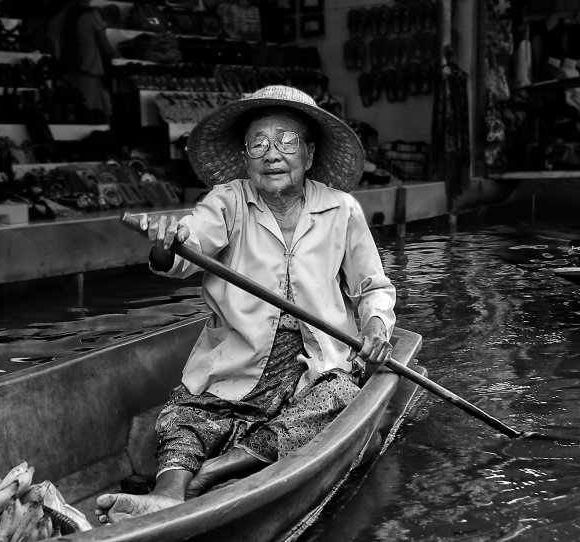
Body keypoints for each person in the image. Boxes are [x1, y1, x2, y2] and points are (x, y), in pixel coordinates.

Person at [95, 85, 396, 524]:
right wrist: (167, 246)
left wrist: (374, 329)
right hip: (238, 357)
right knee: (185, 415)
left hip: (315, 360)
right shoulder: (229, 201)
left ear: (309, 154)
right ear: (246, 155)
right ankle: (166, 494)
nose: (272, 154)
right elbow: (188, 243)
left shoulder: (341, 209)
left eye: (287, 141)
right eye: (259, 143)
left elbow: (373, 286)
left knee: (342, 396)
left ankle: (212, 473)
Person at [48, 0, 115, 122]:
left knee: (71, 118)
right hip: (89, 73)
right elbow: (105, 48)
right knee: (94, 118)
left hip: (65, 75)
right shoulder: (92, 15)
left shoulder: (57, 18)